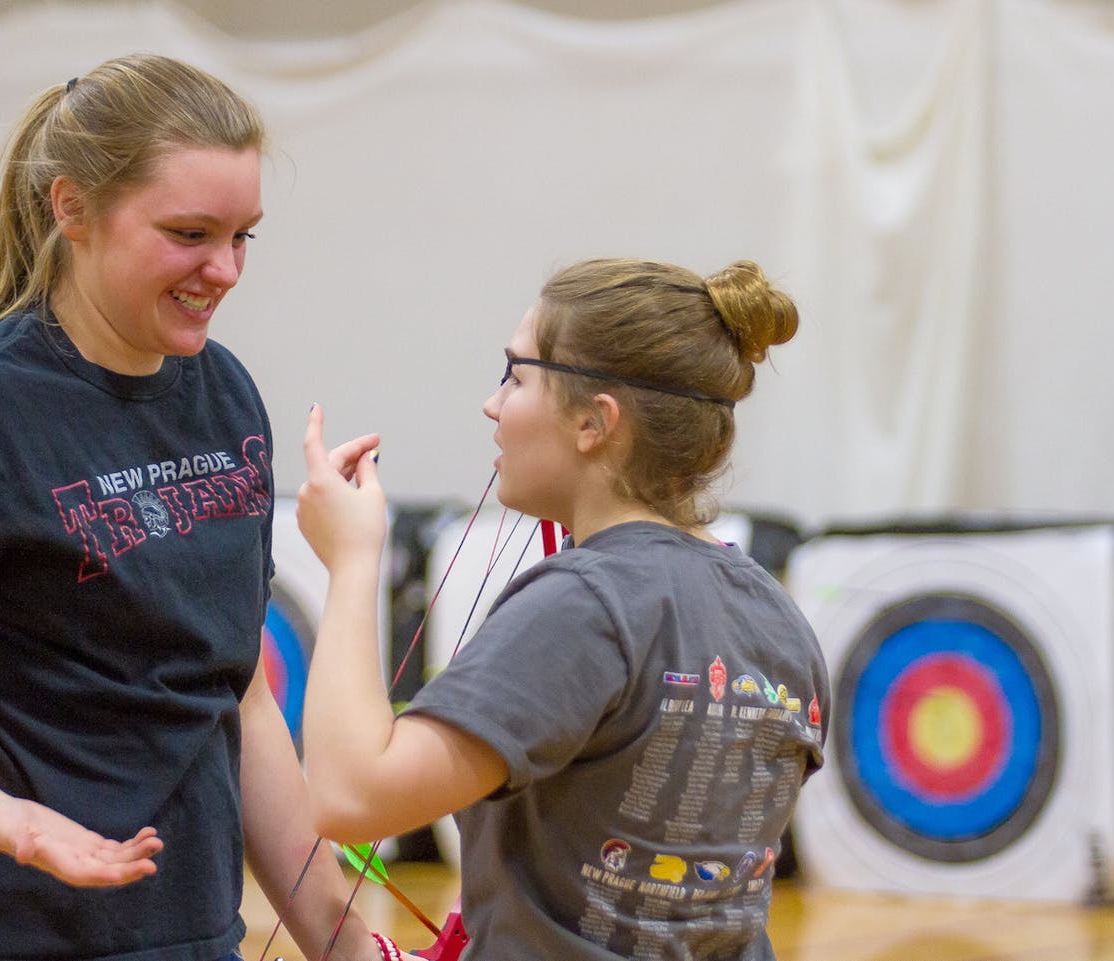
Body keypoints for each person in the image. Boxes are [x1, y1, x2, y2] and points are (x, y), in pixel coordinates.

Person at [0, 53, 393, 961]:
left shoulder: (224, 395)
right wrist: (7, 818)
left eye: (244, 235)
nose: (224, 269)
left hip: (187, 937)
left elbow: (241, 696)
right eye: (189, 232)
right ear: (72, 209)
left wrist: (340, 942)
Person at [296, 258, 830, 960]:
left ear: (593, 421)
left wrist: (354, 558)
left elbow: (351, 799)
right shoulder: (778, 614)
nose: (493, 404)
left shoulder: (586, 605)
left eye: (516, 376)